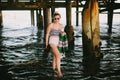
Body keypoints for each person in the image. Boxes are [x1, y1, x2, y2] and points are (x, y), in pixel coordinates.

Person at [45, 12, 65, 77]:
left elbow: (61, 32)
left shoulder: (61, 25)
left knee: (54, 57)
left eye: (58, 18)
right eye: (55, 18)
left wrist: (63, 33)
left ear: (60, 18)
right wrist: (46, 44)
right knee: (58, 55)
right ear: (53, 18)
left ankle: (53, 71)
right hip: (52, 41)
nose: (56, 20)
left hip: (58, 41)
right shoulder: (51, 25)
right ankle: (59, 71)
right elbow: (47, 34)